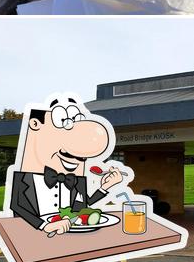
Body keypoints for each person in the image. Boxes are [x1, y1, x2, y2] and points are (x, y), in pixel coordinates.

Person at [9, 97, 123, 234]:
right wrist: (44, 226)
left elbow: (82, 207)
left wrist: (105, 187)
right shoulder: (23, 178)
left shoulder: (75, 179)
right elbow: (18, 206)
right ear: (35, 124)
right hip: (33, 239)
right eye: (64, 121)